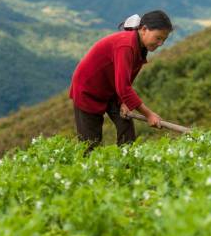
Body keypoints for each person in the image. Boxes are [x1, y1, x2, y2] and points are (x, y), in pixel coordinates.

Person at [69, 10, 173, 150]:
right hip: (88, 90)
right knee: (90, 143)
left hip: (110, 89)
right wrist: (149, 115)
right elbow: (124, 88)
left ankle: (126, 164)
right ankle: (89, 168)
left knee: (126, 126)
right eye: (158, 38)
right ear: (144, 29)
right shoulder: (126, 46)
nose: (160, 43)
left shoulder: (142, 47)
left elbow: (126, 79)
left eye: (163, 40)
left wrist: (124, 101)